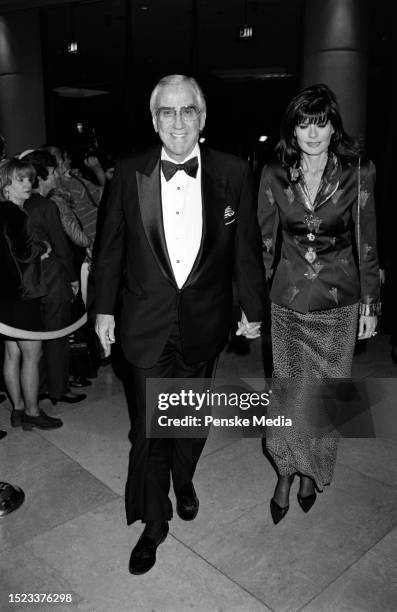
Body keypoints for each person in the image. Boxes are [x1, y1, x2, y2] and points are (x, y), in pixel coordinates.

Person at [95, 74, 265, 574]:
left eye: (186, 110)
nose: (177, 122)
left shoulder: (234, 171)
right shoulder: (127, 172)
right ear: (154, 120)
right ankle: (154, 521)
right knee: (150, 429)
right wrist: (103, 308)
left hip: (204, 323)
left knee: (188, 424)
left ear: (202, 117)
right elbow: (110, 250)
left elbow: (246, 249)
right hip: (146, 323)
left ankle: (184, 479)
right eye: (166, 112)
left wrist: (251, 308)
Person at [257, 83, 380, 524]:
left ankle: (313, 471)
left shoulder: (357, 171)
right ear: (293, 129)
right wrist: (252, 306)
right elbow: (265, 244)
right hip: (287, 302)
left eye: (320, 124)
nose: (312, 133)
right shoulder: (274, 173)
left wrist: (369, 306)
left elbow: (366, 242)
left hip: (338, 303)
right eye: (304, 124)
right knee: (289, 396)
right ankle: (286, 473)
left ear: (333, 129)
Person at [0, 157, 62, 430]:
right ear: (6, 187)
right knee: (32, 355)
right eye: (20, 180)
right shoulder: (17, 214)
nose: (28, 184)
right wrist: (43, 248)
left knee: (12, 354)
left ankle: (17, 409)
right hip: (23, 295)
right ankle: (33, 412)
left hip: (4, 296)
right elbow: (25, 252)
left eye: (29, 178)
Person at [21, 150, 86, 405]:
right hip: (53, 279)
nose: (59, 174)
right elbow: (61, 247)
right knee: (58, 337)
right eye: (55, 170)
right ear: (44, 175)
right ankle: (59, 389)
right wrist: (72, 279)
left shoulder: (20, 203)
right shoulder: (46, 205)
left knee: (35, 341)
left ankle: (41, 386)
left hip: (29, 282)